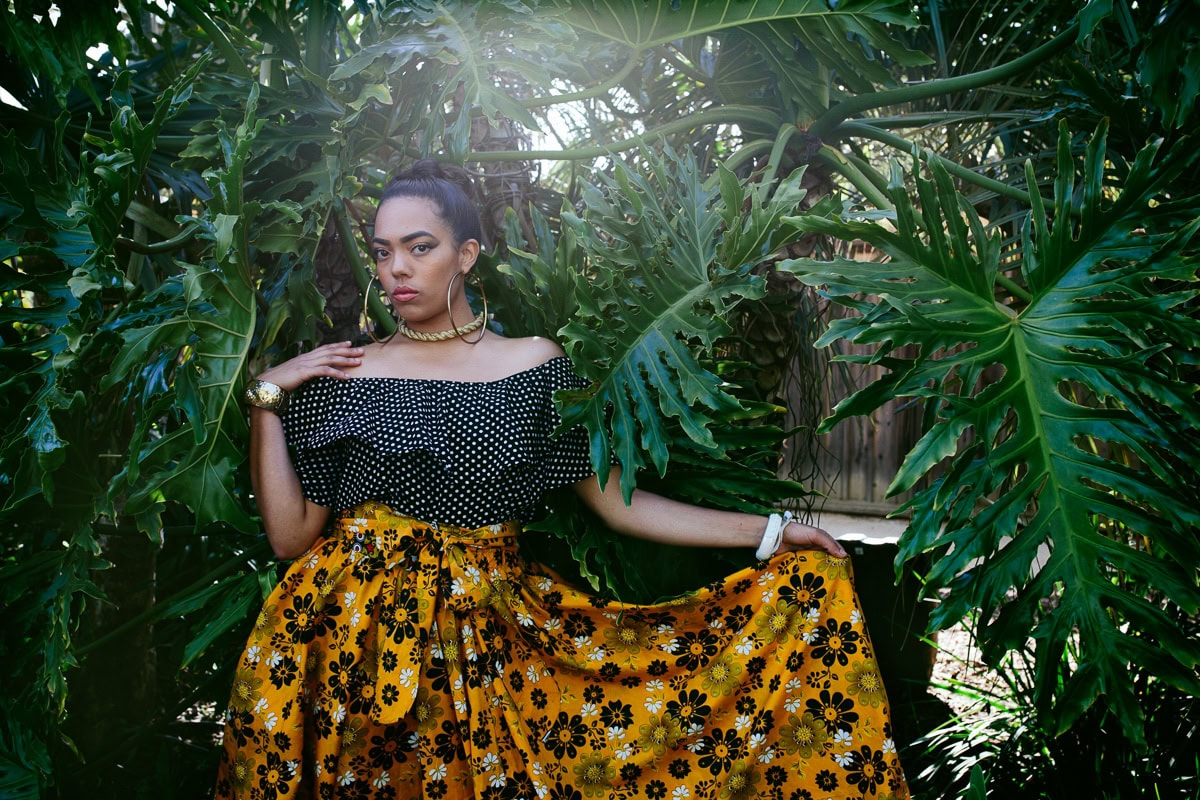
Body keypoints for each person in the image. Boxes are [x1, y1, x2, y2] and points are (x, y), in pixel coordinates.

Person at [215, 159, 909, 800]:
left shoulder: (533, 366)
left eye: (419, 247)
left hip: (486, 639)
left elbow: (617, 505)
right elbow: (289, 537)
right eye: (382, 251)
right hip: (344, 637)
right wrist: (266, 397)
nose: (397, 268)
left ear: (466, 254)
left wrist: (772, 534)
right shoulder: (346, 374)